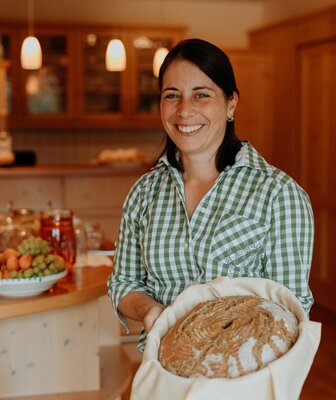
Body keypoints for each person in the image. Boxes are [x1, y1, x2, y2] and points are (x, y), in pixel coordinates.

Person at [107, 38, 314, 353]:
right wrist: (151, 311)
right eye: (172, 95)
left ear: (231, 104)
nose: (184, 110)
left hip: (244, 376)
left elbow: (292, 307)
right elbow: (124, 283)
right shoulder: (144, 193)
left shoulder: (278, 194)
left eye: (201, 95)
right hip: (165, 369)